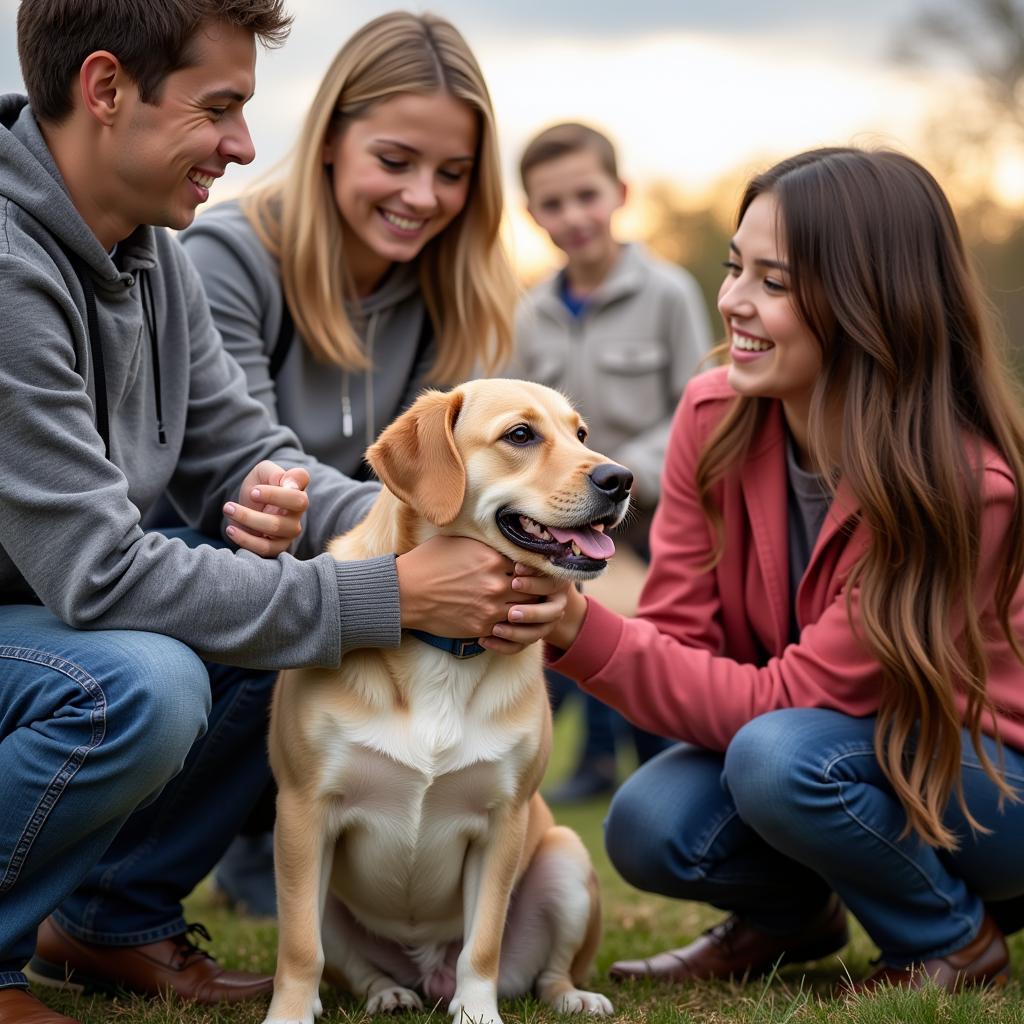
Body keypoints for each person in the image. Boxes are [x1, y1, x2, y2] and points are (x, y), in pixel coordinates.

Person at [0, 4, 566, 1022]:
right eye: (219, 107)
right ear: (104, 87)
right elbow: (99, 571)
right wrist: (390, 588)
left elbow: (251, 454)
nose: (244, 144)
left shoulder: (146, 252)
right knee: (150, 682)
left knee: (289, 619)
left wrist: (490, 561)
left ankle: (110, 922)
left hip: (50, 609)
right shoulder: (12, 269)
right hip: (52, 616)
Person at [542, 146, 1024, 990]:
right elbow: (683, 639)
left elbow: (792, 706)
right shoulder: (715, 414)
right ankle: (792, 920)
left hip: (990, 785)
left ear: (872, 303)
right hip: (841, 759)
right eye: (735, 269)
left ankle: (955, 937)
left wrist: (581, 629)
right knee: (650, 821)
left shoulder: (961, 484)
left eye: (774, 282)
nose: (731, 302)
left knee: (776, 757)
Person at [178, 9, 518, 916]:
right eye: (396, 160)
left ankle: (312, 853)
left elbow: (447, 486)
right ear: (330, 139)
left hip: (373, 571)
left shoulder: (447, 291)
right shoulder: (228, 256)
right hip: (226, 556)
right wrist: (398, 551)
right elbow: (243, 455)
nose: (423, 196)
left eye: (453, 174)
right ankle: (118, 902)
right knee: (293, 610)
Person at [512, 122, 713, 803]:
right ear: (533, 214)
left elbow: (697, 407)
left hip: (655, 511)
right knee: (566, 615)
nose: (573, 217)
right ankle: (591, 763)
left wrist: (626, 472)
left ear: (619, 194)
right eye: (553, 204)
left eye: (585, 196)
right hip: (569, 512)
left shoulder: (668, 292)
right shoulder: (530, 312)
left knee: (647, 636)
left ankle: (663, 765)